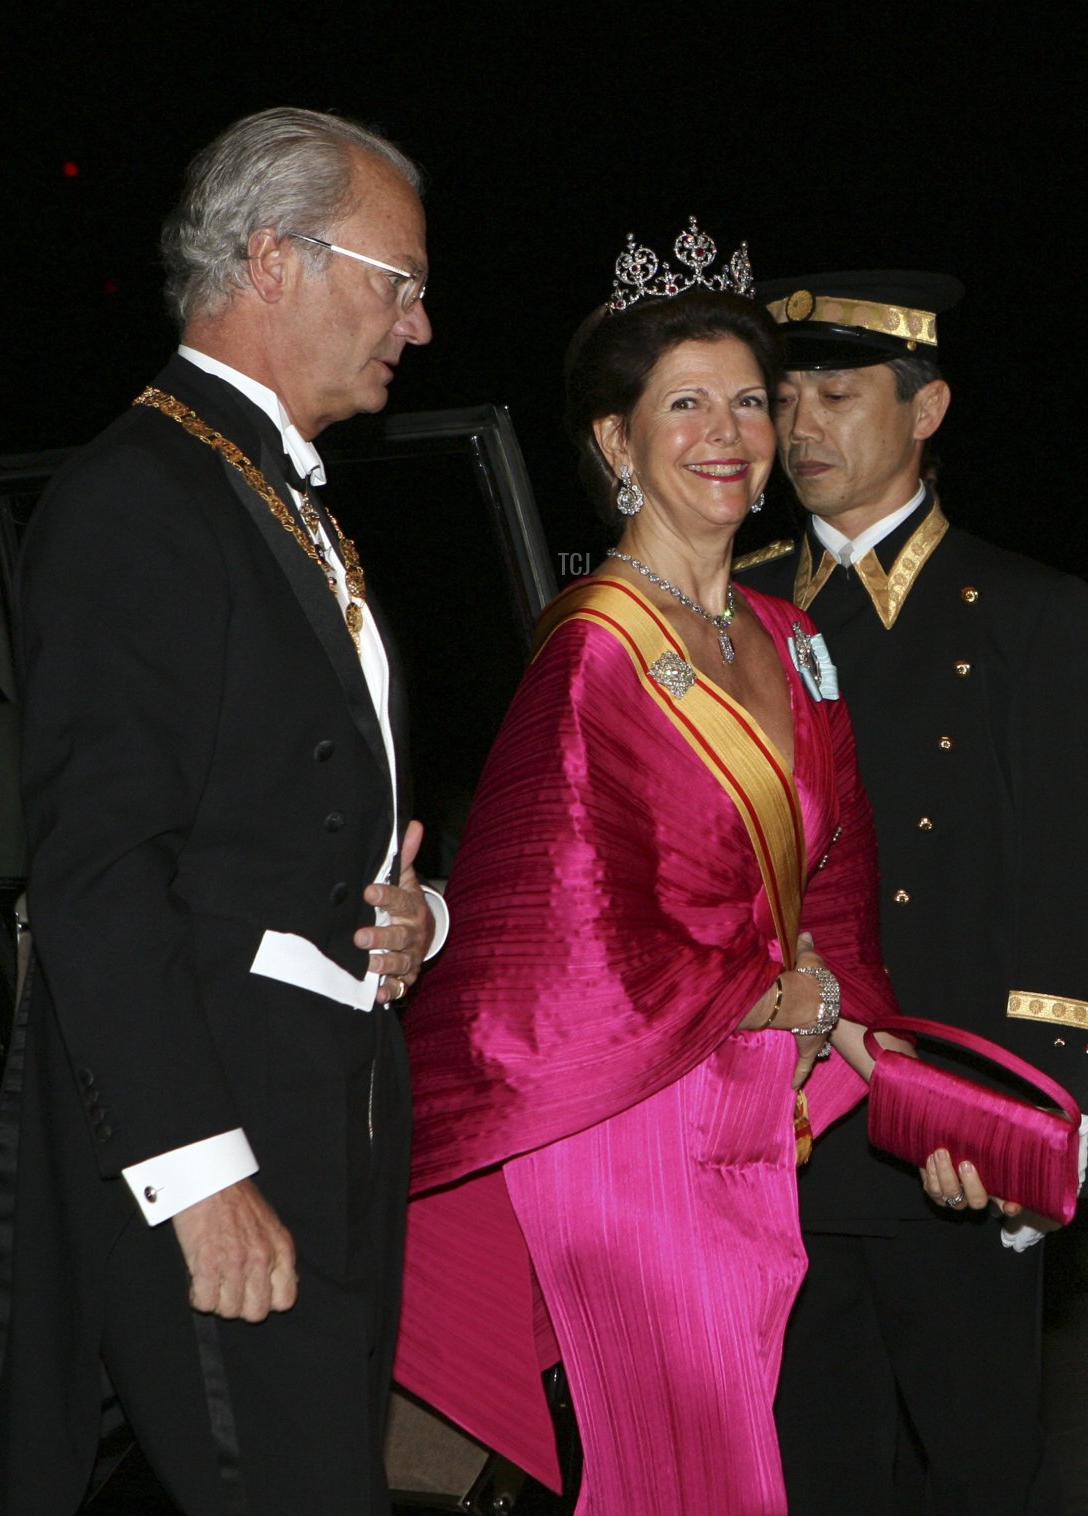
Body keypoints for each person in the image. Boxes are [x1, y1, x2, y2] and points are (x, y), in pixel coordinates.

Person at [0, 107, 440, 1516]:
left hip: (325, 1111)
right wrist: (199, 1174)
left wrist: (414, 915)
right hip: (222, 1132)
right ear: (276, 259)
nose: (416, 322)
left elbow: (301, 821)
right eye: (396, 279)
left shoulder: (279, 497)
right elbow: (100, 869)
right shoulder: (136, 498)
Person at [391, 221, 902, 1516]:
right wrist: (753, 991)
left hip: (752, 1110)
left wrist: (843, 1018)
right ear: (617, 443)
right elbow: (557, 925)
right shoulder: (598, 653)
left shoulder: (789, 638)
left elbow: (835, 875)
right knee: (690, 1466)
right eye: (686, 403)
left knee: (715, 1453)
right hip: (619, 1123)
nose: (727, 431)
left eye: (749, 401)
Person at [735, 271, 1088, 1515]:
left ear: (928, 407)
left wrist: (1026, 1118)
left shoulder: (1026, 613)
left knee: (981, 1468)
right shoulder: (731, 605)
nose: (800, 427)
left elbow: (1073, 889)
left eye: (836, 394)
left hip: (943, 1137)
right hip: (772, 1130)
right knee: (812, 1472)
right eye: (785, 396)